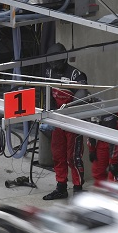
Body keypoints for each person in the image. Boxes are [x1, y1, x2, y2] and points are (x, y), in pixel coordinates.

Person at [42, 43, 88, 200]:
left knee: (73, 157)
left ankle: (78, 189)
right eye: (52, 63)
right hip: (57, 120)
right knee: (57, 154)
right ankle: (61, 187)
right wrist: (48, 112)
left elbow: (81, 97)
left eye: (56, 62)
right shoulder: (49, 72)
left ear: (63, 59)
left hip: (73, 121)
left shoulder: (76, 75)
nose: (54, 66)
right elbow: (47, 92)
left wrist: (67, 110)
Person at [87, 100, 118, 182]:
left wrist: (114, 162)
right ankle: (101, 190)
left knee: (115, 176)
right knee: (97, 171)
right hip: (104, 139)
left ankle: (114, 189)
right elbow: (89, 132)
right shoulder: (84, 111)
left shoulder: (107, 113)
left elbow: (113, 137)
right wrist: (91, 150)